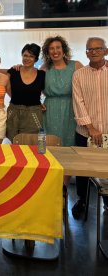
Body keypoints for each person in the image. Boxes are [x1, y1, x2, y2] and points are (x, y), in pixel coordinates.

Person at [71, 37, 108, 218]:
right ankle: (82, 200)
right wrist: (91, 128)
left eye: (98, 48)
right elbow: (79, 102)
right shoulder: (79, 74)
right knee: (82, 170)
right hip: (85, 132)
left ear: (106, 51)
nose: (93, 52)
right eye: (89, 49)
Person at [40, 36, 83, 147]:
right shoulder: (44, 68)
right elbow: (33, 89)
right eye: (51, 48)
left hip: (72, 109)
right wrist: (37, 102)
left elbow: (88, 81)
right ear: (47, 52)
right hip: (50, 110)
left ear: (63, 49)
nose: (55, 51)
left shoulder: (76, 65)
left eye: (58, 47)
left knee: (71, 143)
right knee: (50, 143)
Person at [6, 43, 46, 141]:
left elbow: (45, 92)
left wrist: (42, 103)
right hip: (14, 112)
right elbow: (7, 88)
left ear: (36, 59)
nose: (27, 58)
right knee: (13, 142)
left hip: (34, 113)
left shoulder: (42, 75)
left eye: (31, 56)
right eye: (25, 55)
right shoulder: (13, 72)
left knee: (31, 143)